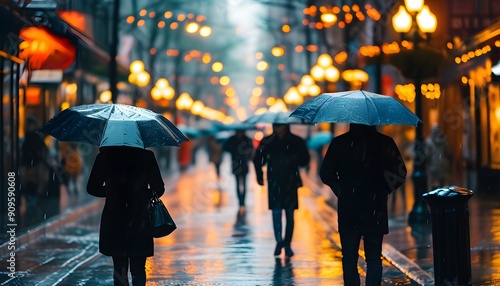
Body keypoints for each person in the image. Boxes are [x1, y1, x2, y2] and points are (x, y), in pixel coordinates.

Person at [319, 124, 407, 286]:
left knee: (349, 258)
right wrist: (383, 189)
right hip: (375, 207)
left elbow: (326, 173)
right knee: (374, 258)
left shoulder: (340, 143)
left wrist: (341, 190)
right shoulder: (384, 142)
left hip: (349, 208)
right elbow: (400, 172)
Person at [87, 146, 165, 286]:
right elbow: (158, 188)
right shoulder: (146, 156)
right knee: (138, 268)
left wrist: (112, 192)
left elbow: (92, 188)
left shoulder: (105, 157)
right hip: (139, 218)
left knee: (119, 268)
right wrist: (140, 193)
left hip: (115, 218)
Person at [253, 123, 310, 257]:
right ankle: (279, 241)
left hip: (290, 181)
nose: (279, 130)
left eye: (281, 127)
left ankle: (287, 243)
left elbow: (305, 159)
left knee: (290, 214)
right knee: (276, 213)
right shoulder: (268, 141)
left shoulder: (296, 141)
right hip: (274, 182)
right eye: (277, 127)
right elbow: (258, 159)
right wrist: (259, 175)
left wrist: (295, 159)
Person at [222, 130, 254, 215]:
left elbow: (251, 150)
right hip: (236, 164)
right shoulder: (233, 139)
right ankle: (240, 202)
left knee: (244, 183)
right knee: (238, 184)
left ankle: (243, 201)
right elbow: (225, 148)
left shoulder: (246, 139)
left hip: (243, 164)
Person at [425, 125, 452, 189]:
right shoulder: (444, 140)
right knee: (443, 187)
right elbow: (448, 153)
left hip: (434, 167)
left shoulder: (428, 142)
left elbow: (426, 156)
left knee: (432, 187)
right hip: (442, 166)